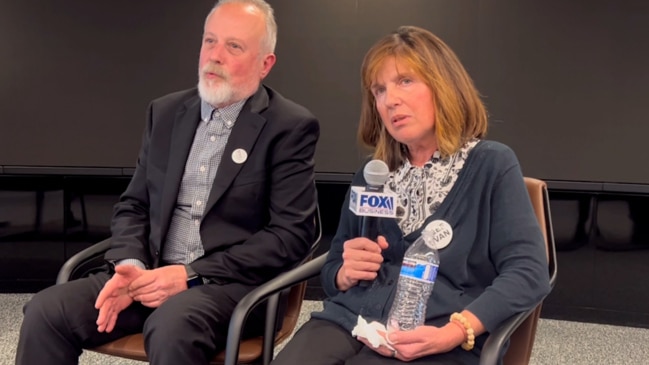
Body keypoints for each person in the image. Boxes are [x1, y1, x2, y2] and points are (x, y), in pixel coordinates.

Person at [15, 0, 320, 364]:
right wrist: (131, 264)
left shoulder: (288, 127)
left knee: (172, 324)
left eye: (233, 46)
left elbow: (291, 234)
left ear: (265, 64)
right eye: (209, 41)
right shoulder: (166, 113)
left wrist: (190, 275)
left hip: (228, 288)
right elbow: (134, 205)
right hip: (149, 275)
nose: (215, 56)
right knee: (46, 312)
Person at [272, 26, 551, 365]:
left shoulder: (491, 164)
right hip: (351, 321)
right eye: (379, 90)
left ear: (443, 86)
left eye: (405, 81)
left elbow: (528, 271)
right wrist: (345, 272)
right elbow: (333, 271)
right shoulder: (373, 174)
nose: (390, 100)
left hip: (438, 333)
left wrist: (455, 331)